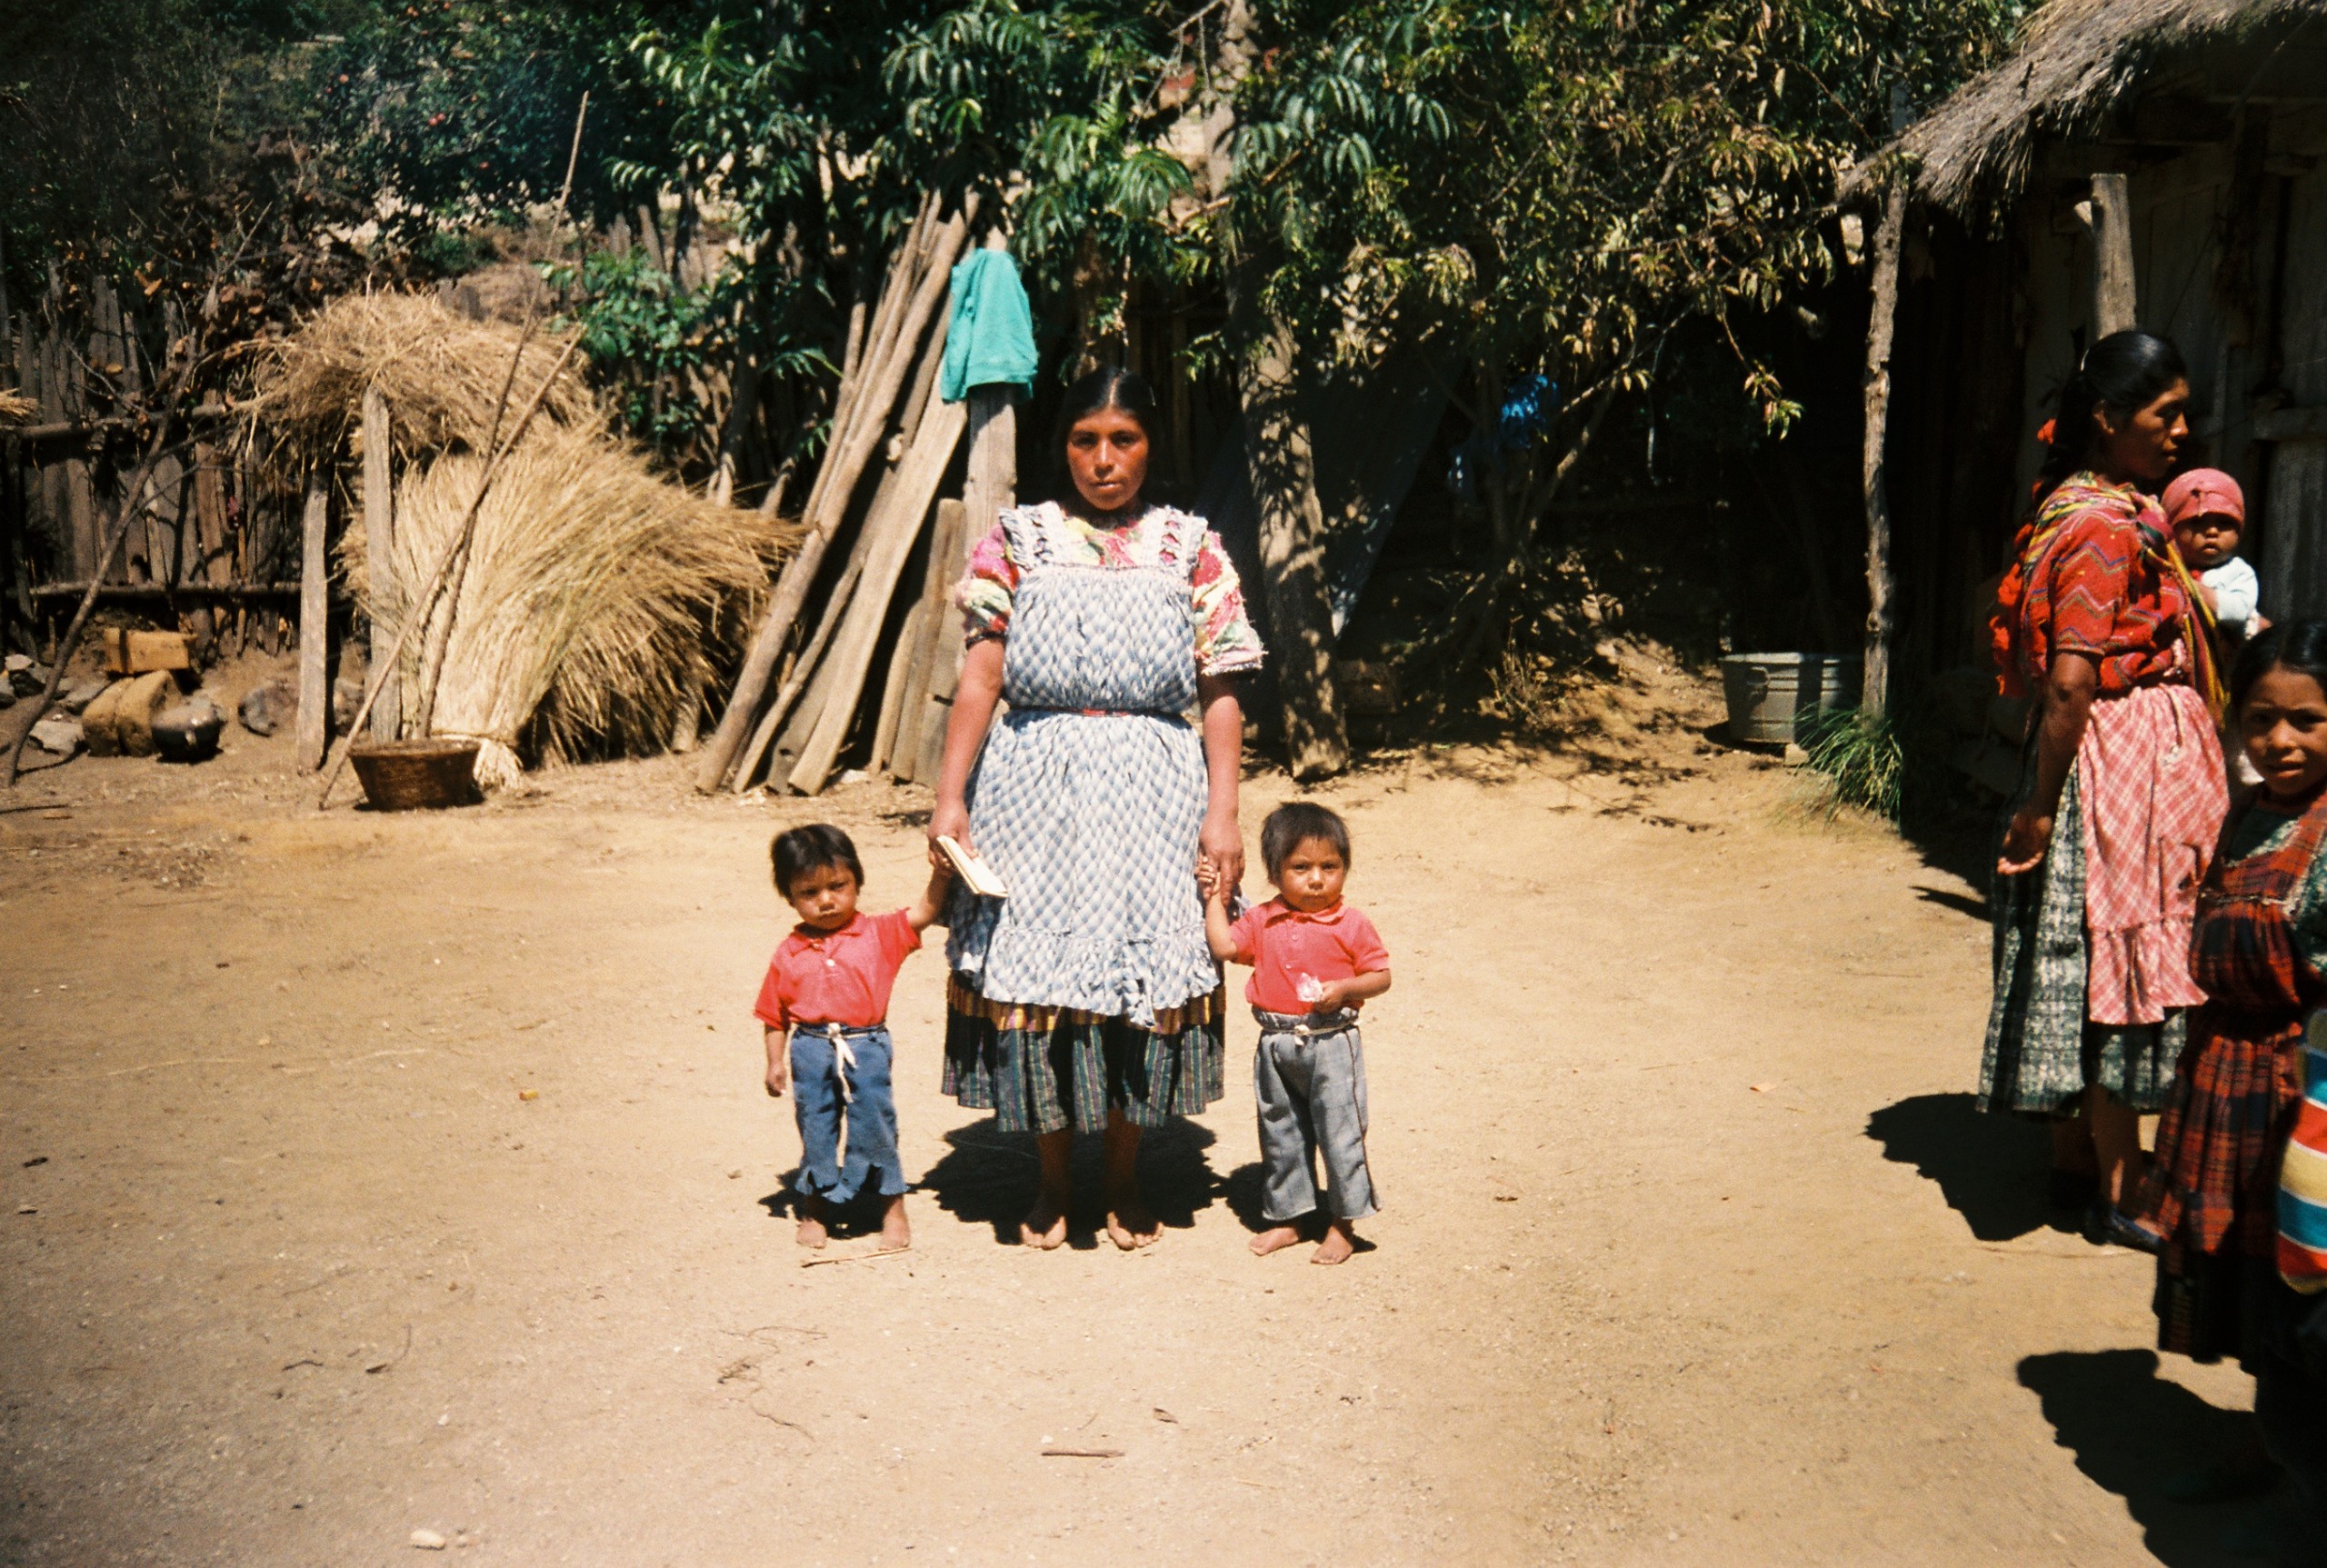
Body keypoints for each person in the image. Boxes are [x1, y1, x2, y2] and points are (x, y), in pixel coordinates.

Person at [929, 365, 1263, 1252]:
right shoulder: (1017, 539)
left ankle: (1121, 1180)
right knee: (1037, 986)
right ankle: (1049, 1183)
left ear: (1151, 447)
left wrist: (1222, 815)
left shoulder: (1190, 546)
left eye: (1124, 441)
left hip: (1155, 789)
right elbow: (981, 675)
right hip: (1031, 787)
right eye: (1085, 441)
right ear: (1062, 446)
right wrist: (949, 800)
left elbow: (1220, 689)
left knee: (1136, 988)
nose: (1104, 461)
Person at [1983, 330, 2228, 1243]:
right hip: (2114, 763)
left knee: (2076, 950)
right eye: (2164, 415)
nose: (2180, 431)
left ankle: (2072, 1161)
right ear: (2107, 418)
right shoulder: (2100, 526)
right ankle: (2123, 1191)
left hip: (2106, 755)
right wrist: (2042, 807)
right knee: (2118, 961)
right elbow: (2072, 679)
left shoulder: (2083, 502)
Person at [2123, 623, 2327, 1521]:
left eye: (2308, 722)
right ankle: (2265, 1446)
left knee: (2300, 1290)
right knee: (2248, 1279)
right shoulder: (2249, 816)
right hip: (2225, 1080)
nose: (2279, 743)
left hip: (2302, 1102)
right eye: (2259, 721)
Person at [1200, 801, 1391, 1264]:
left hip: (1331, 1044)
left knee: (1339, 1133)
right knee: (1281, 1131)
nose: (1317, 878)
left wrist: (1346, 987)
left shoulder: (1352, 923)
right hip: (1276, 1045)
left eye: (1331, 866)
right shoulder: (1264, 920)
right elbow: (1225, 946)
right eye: (1300, 867)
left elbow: (1381, 976)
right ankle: (1290, 1217)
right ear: (1276, 872)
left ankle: (1342, 1224)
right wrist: (1213, 899)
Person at [754, 824, 951, 1253]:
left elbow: (925, 913)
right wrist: (774, 1062)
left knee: (875, 1126)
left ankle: (891, 1207)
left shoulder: (880, 934)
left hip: (865, 1047)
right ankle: (815, 1206)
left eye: (837, 886)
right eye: (810, 893)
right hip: (809, 1049)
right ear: (790, 897)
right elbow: (774, 1014)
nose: (826, 900)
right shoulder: (787, 952)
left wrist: (941, 875)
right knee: (816, 1127)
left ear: (857, 881)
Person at [2164, 468, 2263, 645]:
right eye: (2197, 522)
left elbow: (2239, 611)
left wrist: (2195, 590)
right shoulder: (2163, 565)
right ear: (2172, 528)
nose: (2212, 531)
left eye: (2224, 523)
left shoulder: (2238, 572)